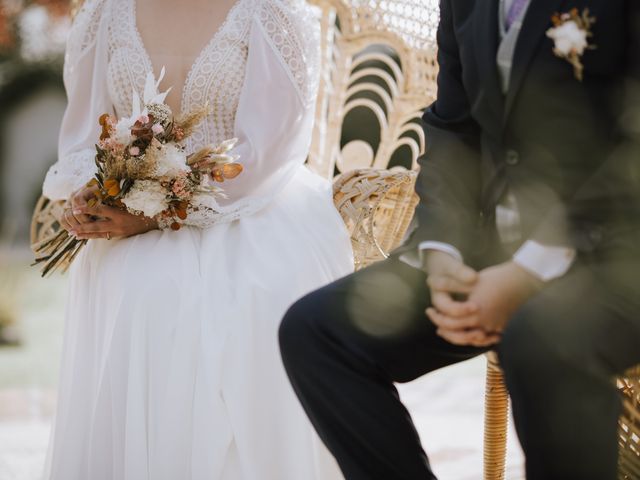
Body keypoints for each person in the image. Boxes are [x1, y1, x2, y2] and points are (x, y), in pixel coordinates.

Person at [279, 0, 640, 479]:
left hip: (616, 251)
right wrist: (442, 250)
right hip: (490, 252)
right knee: (316, 331)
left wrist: (529, 271)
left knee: (540, 338)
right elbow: (453, 124)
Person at [41, 0, 353, 478]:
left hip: (253, 208)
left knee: (253, 293)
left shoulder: (272, 13)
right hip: (126, 216)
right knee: (139, 285)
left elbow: (269, 152)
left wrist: (157, 213)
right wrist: (96, 193)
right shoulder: (103, 14)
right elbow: (83, 139)